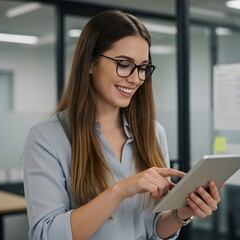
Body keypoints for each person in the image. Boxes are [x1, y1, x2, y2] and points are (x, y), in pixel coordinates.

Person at [22, 9, 221, 240]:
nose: (136, 78)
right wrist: (119, 191)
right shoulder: (47, 138)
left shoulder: (153, 133)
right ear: (89, 63)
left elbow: (152, 228)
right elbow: (46, 234)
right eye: (124, 64)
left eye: (143, 67)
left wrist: (182, 214)